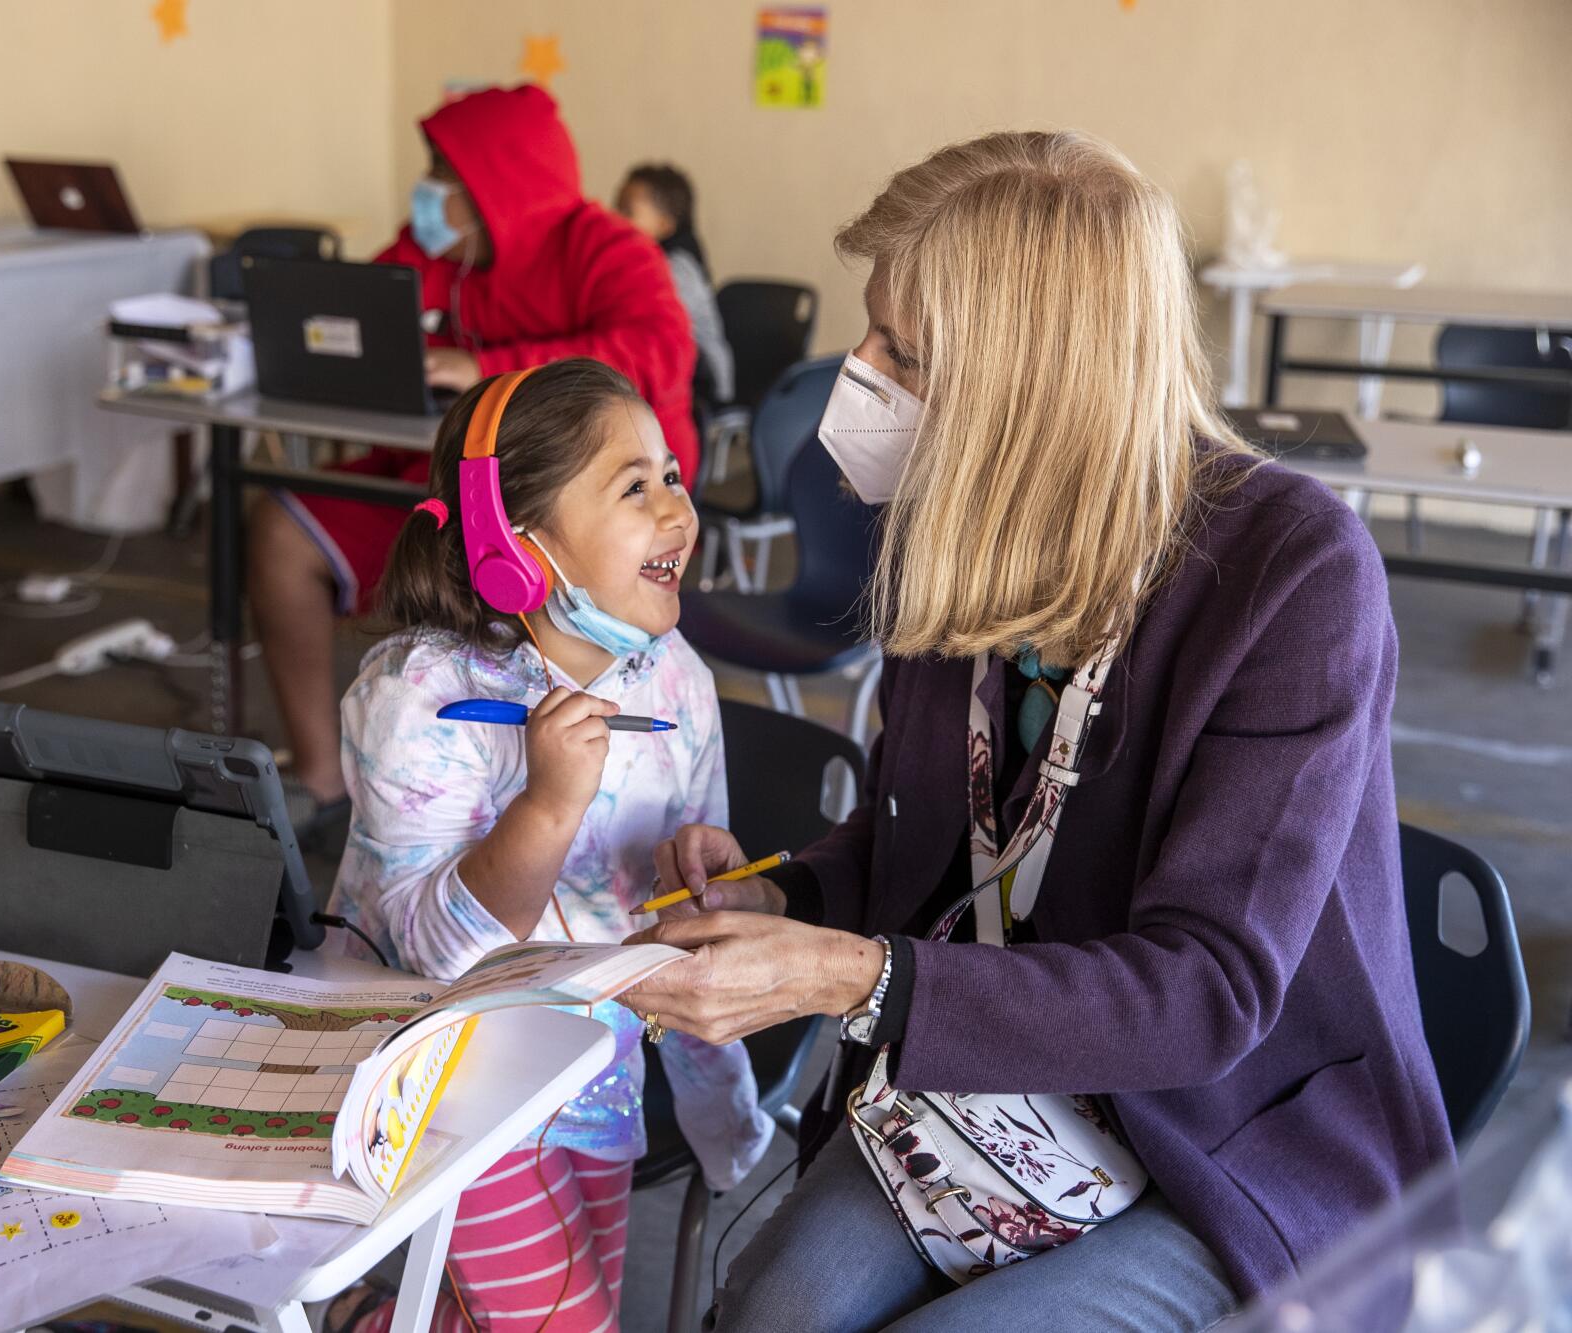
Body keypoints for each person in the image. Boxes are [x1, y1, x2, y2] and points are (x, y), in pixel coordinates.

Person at [619, 130, 1452, 1331]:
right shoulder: (957, 531)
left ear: (1026, 394)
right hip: (1003, 1089)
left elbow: (1205, 991)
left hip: (1223, 1138)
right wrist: (787, 900)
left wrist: (851, 974)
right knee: (774, 1315)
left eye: (899, 352)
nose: (854, 373)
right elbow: (935, 836)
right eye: (869, 332)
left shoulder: (1292, 574)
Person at [324, 358, 769, 1333]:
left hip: (592, 1067)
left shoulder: (677, 682)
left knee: (562, 1310)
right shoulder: (421, 699)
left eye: (672, 476)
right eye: (633, 485)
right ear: (511, 542)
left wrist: (708, 877)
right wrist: (544, 809)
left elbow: (706, 912)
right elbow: (434, 956)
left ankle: (360, 1319)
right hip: (442, 1073)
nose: (677, 509)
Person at [250, 85, 698, 825]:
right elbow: (358, 308)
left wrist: (490, 368)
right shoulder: (438, 252)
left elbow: (658, 350)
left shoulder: (607, 247)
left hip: (576, 504)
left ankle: (520, 804)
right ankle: (326, 775)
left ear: (498, 186)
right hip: (438, 475)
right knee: (277, 530)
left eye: (442, 177)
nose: (428, 195)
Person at [617, 163, 735, 406]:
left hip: (703, 382)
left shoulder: (677, 268)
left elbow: (650, 327)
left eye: (628, 212)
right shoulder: (635, 261)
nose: (615, 219)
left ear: (665, 225)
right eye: (617, 207)